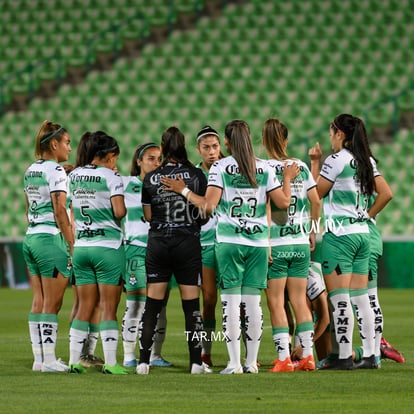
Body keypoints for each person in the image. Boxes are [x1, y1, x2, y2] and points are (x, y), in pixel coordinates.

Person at [162, 119, 299, 374]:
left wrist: (184, 191)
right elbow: (283, 203)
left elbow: (208, 206)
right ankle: (251, 363)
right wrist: (288, 178)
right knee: (253, 304)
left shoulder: (221, 167)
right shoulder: (265, 168)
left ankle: (234, 363)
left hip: (229, 242)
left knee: (231, 305)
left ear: (226, 142)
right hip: (257, 243)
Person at [309, 113, 391, 370]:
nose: (330, 138)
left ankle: (343, 356)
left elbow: (316, 194)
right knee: (361, 298)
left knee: (340, 298)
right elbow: (386, 194)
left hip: (339, 236)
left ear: (340, 134)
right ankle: (369, 355)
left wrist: (314, 165)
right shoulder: (365, 160)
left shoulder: (336, 160)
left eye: (331, 133)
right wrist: (366, 216)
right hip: (363, 235)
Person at [136, 126, 211, 375]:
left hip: (158, 243)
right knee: (191, 307)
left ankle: (143, 362)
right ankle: (195, 363)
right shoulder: (197, 175)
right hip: (187, 243)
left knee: (152, 306)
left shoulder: (150, 178)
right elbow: (204, 213)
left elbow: (147, 216)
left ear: (164, 146)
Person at [262, 118, 320, 372]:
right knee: (299, 300)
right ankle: (307, 356)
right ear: (286, 141)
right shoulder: (302, 167)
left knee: (276, 302)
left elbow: (266, 207)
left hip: (276, 242)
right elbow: (316, 202)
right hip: (299, 242)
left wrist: (265, 243)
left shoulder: (264, 168)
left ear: (264, 141)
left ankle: (284, 358)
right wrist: (312, 232)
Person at [68, 130, 128, 375]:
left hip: (82, 247)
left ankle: (74, 361)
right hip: (108, 248)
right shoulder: (111, 177)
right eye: (115, 157)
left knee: (84, 307)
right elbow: (119, 211)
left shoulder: (74, 175)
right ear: (109, 155)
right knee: (108, 308)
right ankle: (112, 364)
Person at [23, 120, 74, 373]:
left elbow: (26, 208)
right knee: (52, 303)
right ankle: (50, 360)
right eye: (66, 142)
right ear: (54, 144)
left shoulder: (30, 170)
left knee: (39, 300)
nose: (70, 147)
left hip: (31, 236)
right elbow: (59, 209)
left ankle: (39, 360)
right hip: (49, 240)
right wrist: (72, 243)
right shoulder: (56, 172)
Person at [121, 142, 172, 368]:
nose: (156, 163)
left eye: (159, 159)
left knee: (160, 306)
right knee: (136, 304)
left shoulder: (169, 187)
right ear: (138, 161)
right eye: (151, 158)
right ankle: (129, 356)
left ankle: (155, 355)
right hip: (136, 249)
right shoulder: (125, 183)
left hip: (162, 249)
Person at [66, 135, 104, 369]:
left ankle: (83, 353)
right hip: (86, 244)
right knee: (88, 302)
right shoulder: (89, 178)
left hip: (80, 245)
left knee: (87, 302)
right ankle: (82, 352)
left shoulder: (74, 176)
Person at [194, 125, 224, 367]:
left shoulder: (230, 169)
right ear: (198, 149)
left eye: (215, 146)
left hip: (230, 241)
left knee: (240, 300)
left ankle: (247, 354)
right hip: (204, 243)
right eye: (207, 147)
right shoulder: (193, 176)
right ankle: (206, 351)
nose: (212, 152)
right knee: (210, 300)